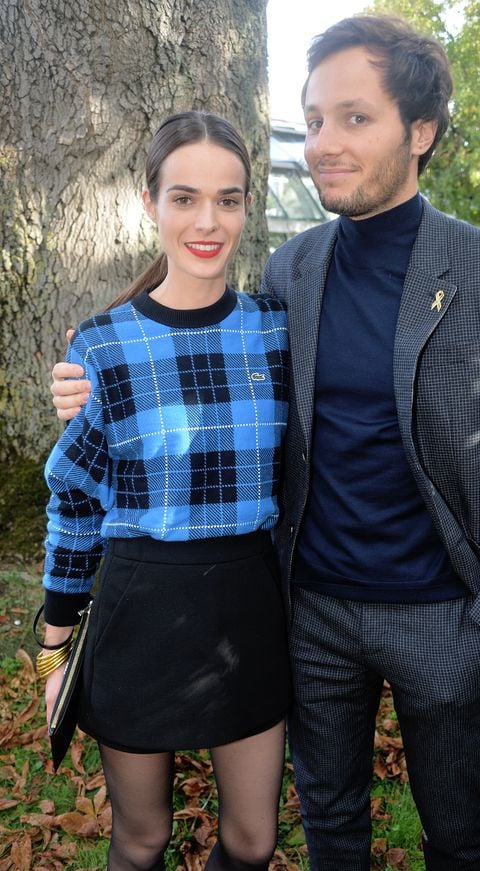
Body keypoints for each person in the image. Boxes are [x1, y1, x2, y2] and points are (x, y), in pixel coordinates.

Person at [49, 13, 480, 871]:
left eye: (354, 118)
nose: (324, 141)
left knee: (457, 835)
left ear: (422, 130)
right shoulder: (296, 268)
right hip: (310, 614)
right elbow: (200, 346)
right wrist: (88, 374)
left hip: (443, 614)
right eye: (316, 117)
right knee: (331, 830)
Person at [38, 110, 291, 871]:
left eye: (229, 198)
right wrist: (55, 650)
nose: (208, 221)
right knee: (140, 838)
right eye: (184, 198)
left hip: (247, 611)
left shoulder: (277, 330)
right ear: (150, 203)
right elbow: (76, 496)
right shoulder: (102, 342)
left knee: (253, 839)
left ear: (249, 206)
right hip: (140, 609)